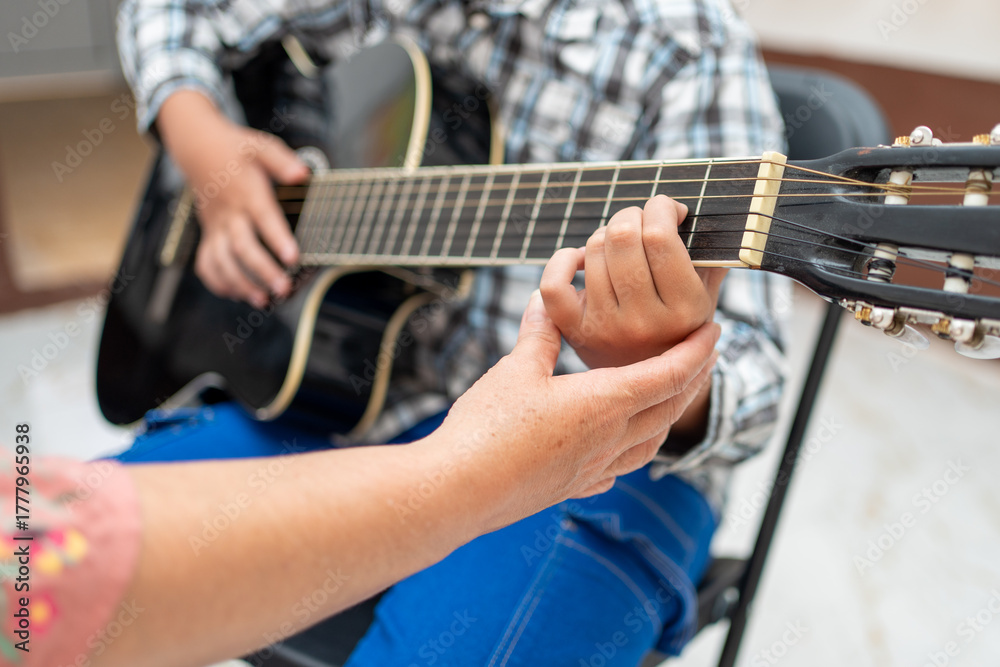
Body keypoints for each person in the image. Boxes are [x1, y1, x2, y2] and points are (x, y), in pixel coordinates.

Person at [111, 0, 789, 664]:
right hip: (354, 406)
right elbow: (170, 11)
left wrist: (652, 370)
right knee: (66, 569)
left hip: (596, 460)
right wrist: (203, 145)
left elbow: (755, 379)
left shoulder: (686, 41)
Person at [0, 280, 720, 667]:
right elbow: (40, 581)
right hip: (338, 403)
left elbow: (35, 574)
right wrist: (467, 473)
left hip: (591, 451)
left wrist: (666, 367)